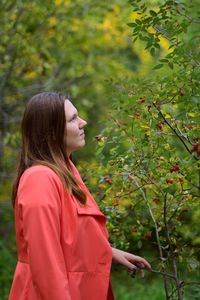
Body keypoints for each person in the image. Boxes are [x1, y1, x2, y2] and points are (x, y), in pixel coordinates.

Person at [9, 92, 151, 300]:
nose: (83, 122)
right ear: (51, 132)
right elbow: (45, 263)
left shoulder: (64, 172)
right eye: (73, 118)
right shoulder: (40, 179)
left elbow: (68, 235)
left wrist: (107, 251)